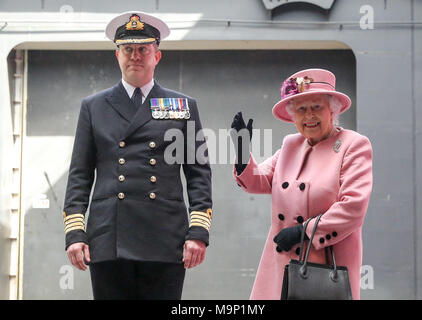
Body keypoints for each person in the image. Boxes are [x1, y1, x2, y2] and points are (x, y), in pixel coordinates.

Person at [62, 11, 212, 300]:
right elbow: (79, 175)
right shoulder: (94, 106)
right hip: (109, 236)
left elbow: (198, 174)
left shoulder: (181, 106)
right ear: (117, 55)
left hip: (164, 236)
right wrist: (75, 234)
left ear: (157, 55)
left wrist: (197, 232)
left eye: (143, 49)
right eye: (128, 49)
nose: (135, 56)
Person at [231, 68, 373, 300]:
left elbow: (353, 207)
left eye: (316, 106)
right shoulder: (291, 145)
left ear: (332, 110)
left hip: (324, 266)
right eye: (301, 109)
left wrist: (304, 231)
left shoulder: (353, 145)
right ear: (293, 115)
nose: (309, 116)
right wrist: (241, 151)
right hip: (282, 264)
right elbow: (258, 181)